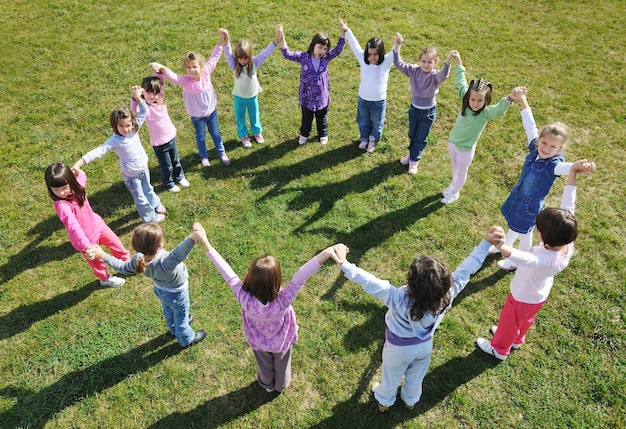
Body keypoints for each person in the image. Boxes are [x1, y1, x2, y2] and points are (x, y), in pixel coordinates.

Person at [329, 233, 497, 412]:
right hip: (424, 346)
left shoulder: (397, 297)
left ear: (412, 282)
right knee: (416, 376)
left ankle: (385, 401)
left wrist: (344, 264)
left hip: (397, 349)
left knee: (391, 375)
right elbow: (465, 270)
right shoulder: (446, 297)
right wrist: (485, 244)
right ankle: (410, 400)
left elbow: (369, 282)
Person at [477, 160, 596, 360]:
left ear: (544, 237)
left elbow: (522, 257)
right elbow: (569, 204)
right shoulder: (566, 242)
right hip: (537, 297)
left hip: (522, 296)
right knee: (524, 321)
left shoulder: (543, 258)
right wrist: (573, 171)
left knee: (509, 321)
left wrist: (501, 246)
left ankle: (499, 349)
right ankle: (515, 339)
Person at [195, 230, 337, 393]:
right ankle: (281, 385)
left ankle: (267, 384)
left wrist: (206, 243)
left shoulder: (245, 299)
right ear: (276, 282)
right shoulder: (284, 300)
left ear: (250, 278)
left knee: (264, 365)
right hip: (282, 343)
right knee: (282, 364)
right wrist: (326, 253)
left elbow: (227, 273)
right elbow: (301, 275)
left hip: (259, 343)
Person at [490, 89, 592, 270]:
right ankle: (503, 246)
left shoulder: (553, 165)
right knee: (514, 225)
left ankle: (515, 261)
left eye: (553, 147)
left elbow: (565, 168)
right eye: (544, 143)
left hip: (529, 207)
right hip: (517, 197)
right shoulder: (535, 148)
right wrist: (523, 101)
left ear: (560, 149)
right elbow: (530, 126)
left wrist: (578, 166)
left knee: (525, 233)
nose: (546, 148)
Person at [86, 222, 208, 348]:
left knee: (168, 310)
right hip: (177, 294)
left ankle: (173, 329)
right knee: (181, 317)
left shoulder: (139, 259)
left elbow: (122, 267)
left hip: (161, 291)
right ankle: (186, 338)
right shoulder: (166, 262)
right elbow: (180, 252)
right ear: (159, 246)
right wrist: (193, 238)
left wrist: (103, 255)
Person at [73, 86, 166, 223]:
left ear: (132, 123)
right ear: (115, 126)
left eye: (128, 125)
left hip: (143, 169)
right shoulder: (115, 141)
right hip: (132, 177)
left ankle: (155, 204)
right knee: (140, 198)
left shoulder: (134, 129)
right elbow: (98, 151)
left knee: (149, 189)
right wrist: (79, 163)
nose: (126, 129)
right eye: (121, 126)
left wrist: (138, 98)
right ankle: (150, 219)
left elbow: (144, 111)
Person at [441, 51, 517, 204]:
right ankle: (453, 185)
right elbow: (460, 81)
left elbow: (499, 110)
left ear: (486, 101)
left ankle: (455, 192)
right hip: (453, 143)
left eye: (480, 101)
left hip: (465, 149)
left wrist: (510, 98)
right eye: (473, 99)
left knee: (461, 171)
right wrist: (459, 63)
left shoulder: (485, 114)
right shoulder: (465, 99)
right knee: (454, 168)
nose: (475, 103)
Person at [150, 29, 230, 167]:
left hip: (211, 113)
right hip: (197, 117)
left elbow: (215, 56)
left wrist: (222, 40)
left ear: (201, 66)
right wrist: (162, 68)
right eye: (188, 67)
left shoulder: (206, 72)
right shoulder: (185, 82)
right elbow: (173, 76)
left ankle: (222, 153)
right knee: (200, 136)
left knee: (216, 134)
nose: (192, 70)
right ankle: (204, 156)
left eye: (194, 67)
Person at [45, 162, 130, 288]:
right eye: (56, 190)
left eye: (64, 187)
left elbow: (82, 177)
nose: (61, 193)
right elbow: (73, 226)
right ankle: (105, 278)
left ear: (71, 181)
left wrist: (77, 169)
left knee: (118, 246)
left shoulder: (78, 188)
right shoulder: (62, 206)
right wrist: (87, 246)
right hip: (86, 241)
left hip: (99, 226)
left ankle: (127, 263)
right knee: (97, 263)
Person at [279, 20, 347, 145]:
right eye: (320, 47)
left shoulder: (326, 58)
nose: (322, 51)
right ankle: (304, 134)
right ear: (313, 45)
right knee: (306, 117)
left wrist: (342, 32)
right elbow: (287, 54)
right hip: (307, 95)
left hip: (322, 95)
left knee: (321, 117)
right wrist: (281, 36)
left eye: (325, 49)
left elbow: (338, 49)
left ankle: (323, 134)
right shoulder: (304, 57)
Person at [393, 33, 453, 174]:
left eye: (430, 62)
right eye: (424, 61)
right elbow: (398, 63)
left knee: (421, 137)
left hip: (428, 112)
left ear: (435, 62)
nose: (426, 65)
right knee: (412, 134)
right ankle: (411, 154)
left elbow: (444, 75)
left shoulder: (435, 76)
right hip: (414, 109)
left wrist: (448, 61)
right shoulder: (414, 71)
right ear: (420, 60)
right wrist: (397, 46)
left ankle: (414, 160)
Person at [222, 27, 281, 148]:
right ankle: (243, 136)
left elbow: (266, 53)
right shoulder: (234, 66)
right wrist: (226, 40)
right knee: (240, 118)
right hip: (239, 98)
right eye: (240, 58)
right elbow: (228, 54)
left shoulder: (254, 63)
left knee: (255, 116)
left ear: (250, 56)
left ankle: (257, 133)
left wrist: (276, 40)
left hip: (252, 97)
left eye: (245, 58)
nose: (242, 61)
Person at [343, 20, 394, 153]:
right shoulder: (362, 60)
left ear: (381, 53)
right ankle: (364, 138)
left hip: (378, 101)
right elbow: (355, 46)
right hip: (363, 99)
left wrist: (398, 44)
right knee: (363, 120)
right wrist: (347, 30)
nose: (372, 57)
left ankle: (373, 140)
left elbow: (394, 53)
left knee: (377, 122)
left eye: (375, 54)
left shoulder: (386, 63)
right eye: (369, 54)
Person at [132, 75, 189, 193]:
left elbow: (160, 84)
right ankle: (168, 183)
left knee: (175, 160)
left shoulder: (160, 101)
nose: (152, 96)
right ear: (143, 91)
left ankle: (179, 176)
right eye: (149, 93)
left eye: (155, 93)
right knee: (166, 166)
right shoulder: (144, 108)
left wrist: (158, 72)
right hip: (159, 143)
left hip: (171, 137)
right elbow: (134, 109)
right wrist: (136, 97)